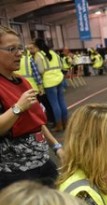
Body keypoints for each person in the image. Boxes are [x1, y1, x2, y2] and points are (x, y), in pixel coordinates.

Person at [0, 26, 63, 190]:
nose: (19, 53)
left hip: (42, 163)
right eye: (11, 49)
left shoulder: (22, 81)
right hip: (15, 174)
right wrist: (18, 108)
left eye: (19, 48)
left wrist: (56, 147)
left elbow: (36, 121)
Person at [33, 38, 69, 132]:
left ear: (37, 46)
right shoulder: (54, 53)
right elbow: (61, 66)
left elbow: (40, 70)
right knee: (62, 102)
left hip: (49, 82)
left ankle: (59, 125)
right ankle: (66, 123)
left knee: (54, 104)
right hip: (59, 78)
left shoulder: (39, 55)